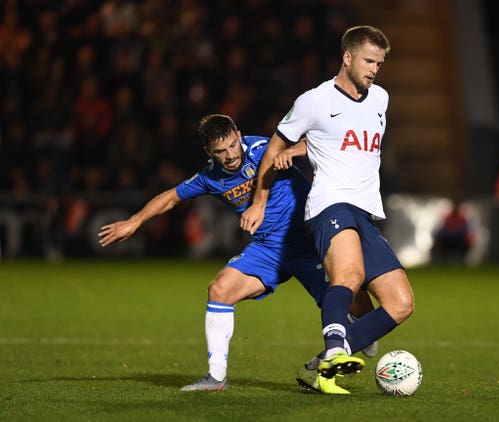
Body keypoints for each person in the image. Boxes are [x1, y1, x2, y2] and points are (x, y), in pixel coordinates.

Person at [98, 114, 377, 393]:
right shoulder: (211, 177)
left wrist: (290, 151)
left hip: (308, 243)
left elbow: (315, 143)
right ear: (209, 152)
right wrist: (133, 222)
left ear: (239, 136)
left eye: (233, 145)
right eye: (221, 151)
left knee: (358, 307)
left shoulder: (261, 150)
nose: (230, 155)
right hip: (267, 249)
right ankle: (216, 379)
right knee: (220, 290)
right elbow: (171, 196)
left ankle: (360, 331)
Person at [241, 25, 415, 392]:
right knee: (348, 278)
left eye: (380, 63)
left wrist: (301, 149)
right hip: (329, 205)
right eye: (368, 61)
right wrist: (260, 199)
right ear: (347, 57)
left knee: (401, 303)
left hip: (365, 212)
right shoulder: (314, 101)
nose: (374, 69)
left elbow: (334, 141)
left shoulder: (380, 99)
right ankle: (336, 348)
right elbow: (273, 149)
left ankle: (329, 359)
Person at [431, 199, 473, 264]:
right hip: (448, 240)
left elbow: (466, 232)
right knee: (438, 242)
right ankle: (440, 260)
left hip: (459, 240)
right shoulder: (447, 218)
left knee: (465, 243)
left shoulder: (462, 219)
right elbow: (441, 231)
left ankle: (460, 260)